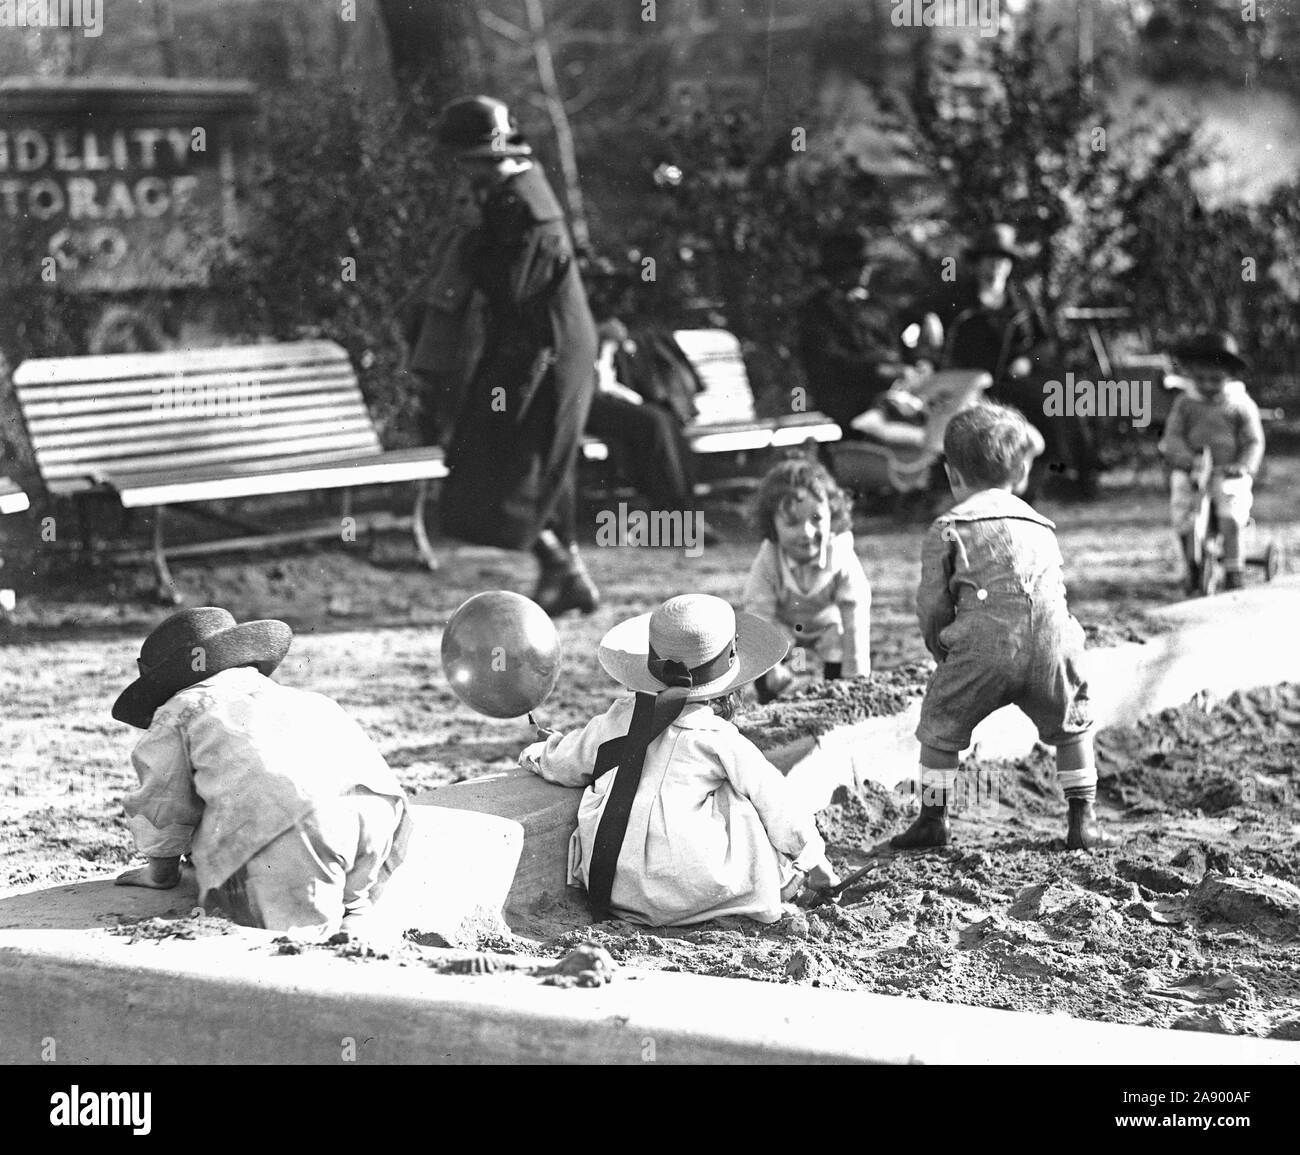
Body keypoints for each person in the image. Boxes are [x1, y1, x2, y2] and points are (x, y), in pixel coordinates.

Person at [518, 594, 839, 926]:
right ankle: (774, 885)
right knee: (742, 800)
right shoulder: (717, 737)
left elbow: (565, 762)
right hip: (694, 891)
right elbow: (781, 807)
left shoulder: (617, 719)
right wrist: (817, 866)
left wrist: (537, 754)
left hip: (616, 887)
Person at [405, 96, 600, 617]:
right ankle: (567, 570)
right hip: (548, 344)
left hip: (543, 350)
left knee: (501, 457)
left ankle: (561, 564)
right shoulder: (523, 190)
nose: (459, 171)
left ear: (477, 157)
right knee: (534, 458)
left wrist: (472, 246)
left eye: (462, 160)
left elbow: (510, 286)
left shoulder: (513, 204)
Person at [112, 607, 412, 936]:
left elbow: (163, 802)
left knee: (293, 931)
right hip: (380, 811)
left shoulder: (179, 710)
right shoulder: (298, 697)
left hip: (297, 824)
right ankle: (354, 910)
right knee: (349, 900)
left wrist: (161, 870)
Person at [891, 403, 1110, 852]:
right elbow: (1055, 594)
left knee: (939, 725)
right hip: (1054, 642)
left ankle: (933, 820)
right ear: (1022, 471)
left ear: (952, 475)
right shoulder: (1042, 524)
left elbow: (932, 604)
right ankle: (1083, 819)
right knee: (1073, 725)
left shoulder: (950, 527)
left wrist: (942, 649)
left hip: (984, 646)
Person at [921, 224, 1098, 499]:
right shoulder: (959, 300)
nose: (995, 268)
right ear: (978, 264)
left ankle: (1073, 473)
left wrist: (1028, 359)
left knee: (1066, 394)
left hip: (1019, 376)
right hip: (978, 381)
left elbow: (1045, 342)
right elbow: (931, 329)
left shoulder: (1022, 300)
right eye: (989, 261)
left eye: (1002, 261)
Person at [742, 457, 871, 702]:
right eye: (792, 523)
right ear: (773, 525)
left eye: (816, 519)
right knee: (764, 649)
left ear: (832, 513)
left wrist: (857, 678)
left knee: (840, 634)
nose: (807, 532)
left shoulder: (840, 552)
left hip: (825, 624)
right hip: (784, 628)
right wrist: (768, 670)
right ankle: (771, 697)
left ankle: (835, 688)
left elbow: (856, 610)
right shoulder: (769, 556)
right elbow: (758, 614)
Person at [1159, 331, 1265, 593]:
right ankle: (1191, 565)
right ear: (1191, 373)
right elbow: (1172, 436)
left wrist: (1243, 465)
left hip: (1227, 471)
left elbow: (1253, 440)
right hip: (1193, 469)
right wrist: (1184, 458)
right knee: (1183, 511)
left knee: (1231, 512)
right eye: (1200, 378)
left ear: (1228, 375)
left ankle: (1233, 567)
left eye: (1215, 379)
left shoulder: (1239, 403)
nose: (1207, 385)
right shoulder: (1185, 403)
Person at [796, 229, 902, 432]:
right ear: (836, 272)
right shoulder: (817, 310)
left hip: (889, 394)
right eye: (855, 267)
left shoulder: (878, 307)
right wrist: (876, 368)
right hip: (844, 400)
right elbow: (829, 360)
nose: (864, 271)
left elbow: (896, 348)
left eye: (864, 266)